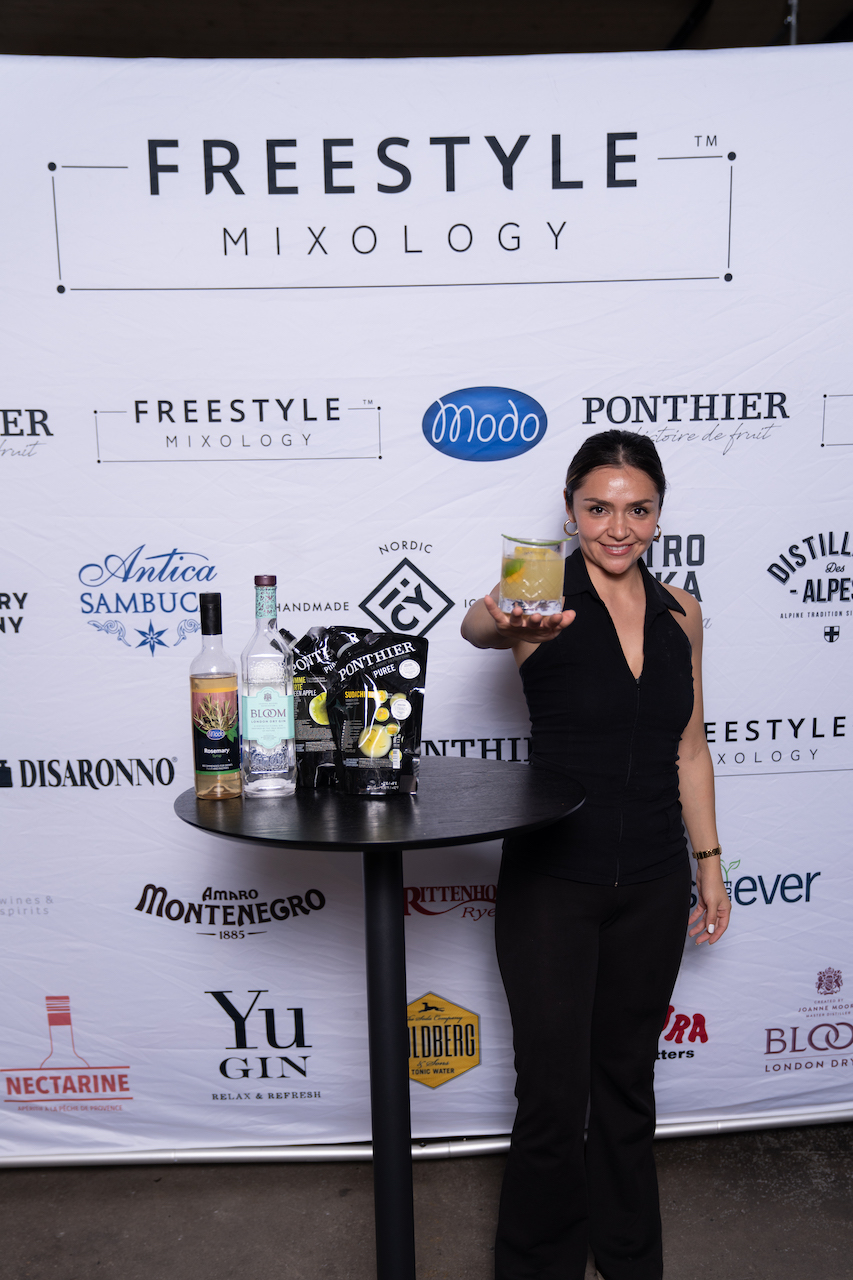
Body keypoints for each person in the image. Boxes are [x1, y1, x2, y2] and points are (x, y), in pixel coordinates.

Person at [461, 429, 730, 1280]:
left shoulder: (682, 611)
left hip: (651, 880)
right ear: (571, 510)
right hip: (552, 882)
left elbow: (689, 748)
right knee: (551, 1095)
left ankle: (627, 1258)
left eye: (637, 510)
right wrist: (498, 614)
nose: (618, 528)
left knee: (626, 1084)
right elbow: (478, 628)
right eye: (599, 508)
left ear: (657, 515)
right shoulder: (539, 598)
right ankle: (537, 1266)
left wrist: (708, 863)